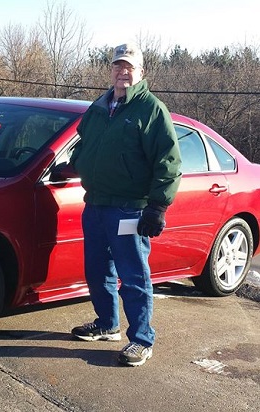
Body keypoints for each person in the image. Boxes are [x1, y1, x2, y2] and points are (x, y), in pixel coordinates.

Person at [69, 43, 182, 366]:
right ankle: (107, 323)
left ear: (141, 72)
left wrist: (157, 207)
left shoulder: (151, 109)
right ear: (111, 70)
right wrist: (79, 162)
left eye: (130, 67)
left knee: (133, 277)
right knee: (97, 270)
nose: (123, 71)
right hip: (96, 204)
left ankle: (142, 339)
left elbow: (168, 162)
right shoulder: (100, 106)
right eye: (118, 66)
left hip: (130, 208)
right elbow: (83, 142)